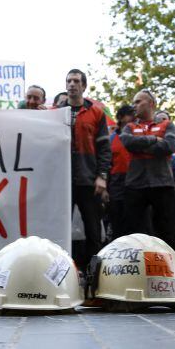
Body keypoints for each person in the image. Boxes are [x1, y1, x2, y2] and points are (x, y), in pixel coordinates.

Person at [57, 69, 110, 269]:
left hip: (89, 181)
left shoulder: (96, 113)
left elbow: (104, 149)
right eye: (69, 80)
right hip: (63, 183)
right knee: (60, 232)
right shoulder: (55, 112)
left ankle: (94, 275)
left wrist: (102, 177)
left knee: (94, 232)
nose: (72, 84)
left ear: (83, 86)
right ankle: (62, 272)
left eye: (76, 81)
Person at [119, 89, 175, 256]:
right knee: (133, 231)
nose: (135, 105)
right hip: (135, 184)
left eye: (138, 101)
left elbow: (169, 146)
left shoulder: (167, 125)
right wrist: (153, 139)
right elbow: (127, 142)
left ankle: (173, 268)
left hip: (163, 184)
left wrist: (140, 147)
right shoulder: (130, 127)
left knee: (167, 231)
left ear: (151, 104)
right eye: (134, 102)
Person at [107, 104, 134, 241]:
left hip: (136, 184)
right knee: (117, 222)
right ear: (121, 118)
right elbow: (106, 164)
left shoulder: (137, 134)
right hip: (116, 184)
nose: (133, 117)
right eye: (130, 114)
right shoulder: (111, 139)